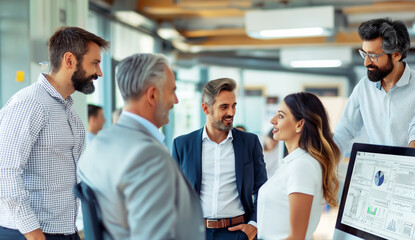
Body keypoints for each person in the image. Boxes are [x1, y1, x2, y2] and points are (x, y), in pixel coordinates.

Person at [77, 53, 205, 240]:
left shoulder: (98, 145)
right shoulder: (147, 155)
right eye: (172, 91)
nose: (176, 100)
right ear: (152, 95)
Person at [0, 27, 109, 240]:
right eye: (94, 63)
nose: (99, 73)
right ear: (69, 61)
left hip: (64, 230)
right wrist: (33, 233)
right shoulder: (29, 104)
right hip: (29, 233)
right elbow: (5, 171)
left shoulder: (68, 110)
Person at [172, 78, 267, 240]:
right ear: (206, 108)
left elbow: (263, 189)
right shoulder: (182, 145)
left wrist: (253, 225)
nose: (231, 112)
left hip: (238, 233)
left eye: (233, 106)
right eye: (224, 107)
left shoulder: (249, 143)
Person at [257, 92, 341, 240]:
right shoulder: (292, 163)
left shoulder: (302, 166)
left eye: (281, 116)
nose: (272, 120)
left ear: (299, 124)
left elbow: (296, 238)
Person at [334, 18, 415, 154]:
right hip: (379, 172)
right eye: (364, 54)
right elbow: (344, 132)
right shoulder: (364, 87)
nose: (366, 62)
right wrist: (322, 165)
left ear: (396, 55)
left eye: (372, 56)